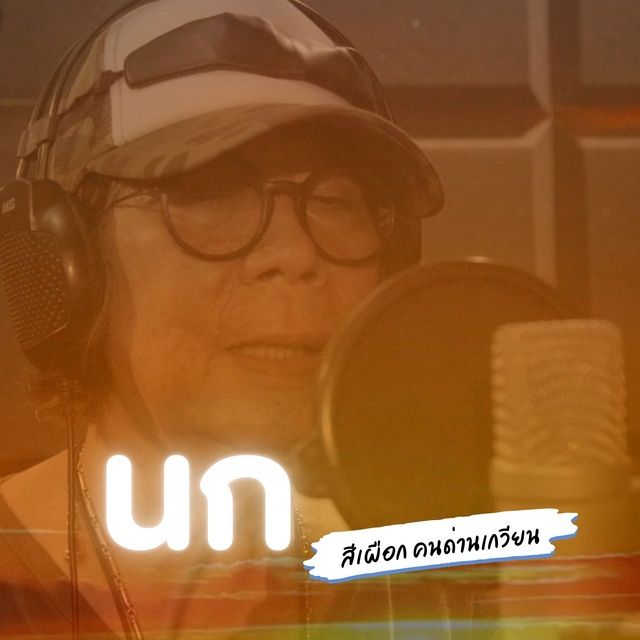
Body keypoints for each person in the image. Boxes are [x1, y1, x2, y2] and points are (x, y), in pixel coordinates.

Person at [0, 1, 445, 638]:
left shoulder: (438, 574)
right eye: (208, 193)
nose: (295, 253)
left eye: (335, 200)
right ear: (65, 260)